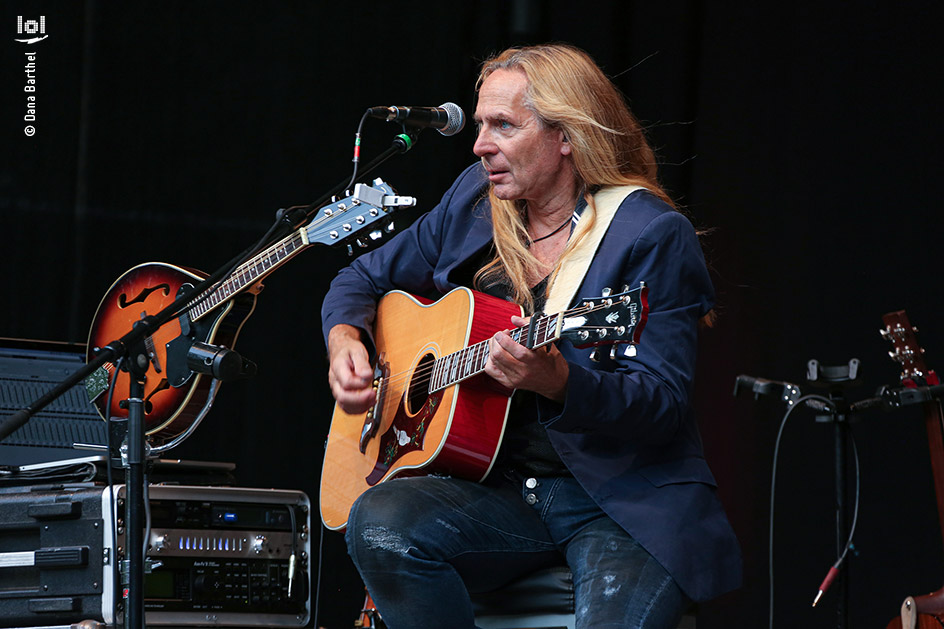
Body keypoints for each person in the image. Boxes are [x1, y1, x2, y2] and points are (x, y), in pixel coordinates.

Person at [321, 43, 741, 629]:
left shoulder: (648, 233)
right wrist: (346, 340)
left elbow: (663, 406)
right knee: (379, 520)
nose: (479, 144)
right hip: (501, 492)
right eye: (481, 124)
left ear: (565, 136)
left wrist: (562, 381)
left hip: (616, 502)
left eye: (503, 126)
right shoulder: (476, 199)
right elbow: (360, 278)